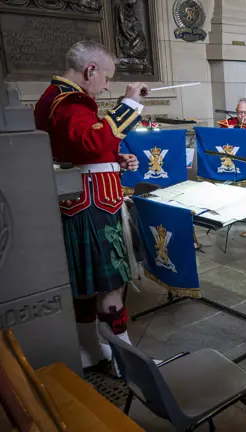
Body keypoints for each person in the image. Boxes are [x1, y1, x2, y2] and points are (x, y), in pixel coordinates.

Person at [34, 40, 148, 371]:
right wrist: (128, 105)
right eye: (107, 78)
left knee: (85, 287)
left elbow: (79, 147)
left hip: (77, 203)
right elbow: (88, 142)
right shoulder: (68, 101)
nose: (107, 85)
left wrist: (113, 158)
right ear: (90, 70)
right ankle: (129, 364)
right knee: (110, 285)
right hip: (93, 207)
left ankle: (91, 351)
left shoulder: (52, 97)